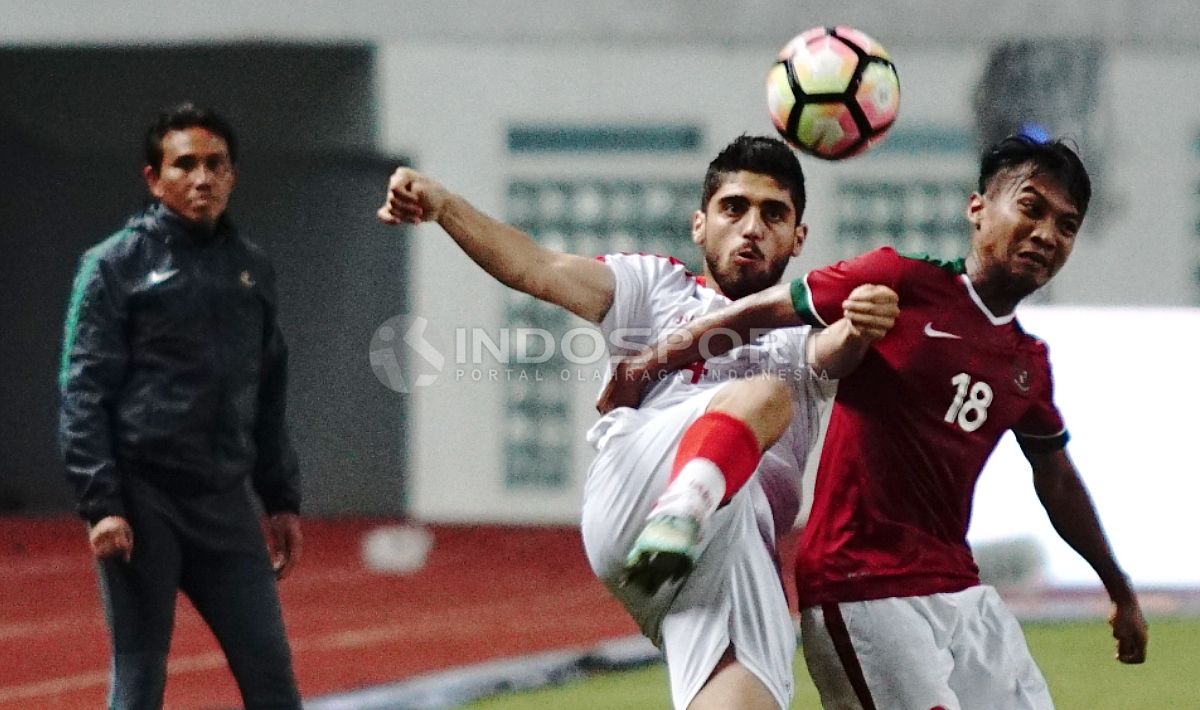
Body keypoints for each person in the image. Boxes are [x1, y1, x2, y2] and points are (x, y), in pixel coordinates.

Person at [598, 135, 1149, 709]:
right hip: (863, 586)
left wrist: (1119, 587)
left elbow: (1056, 480)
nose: (1046, 234)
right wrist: (649, 362)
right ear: (978, 209)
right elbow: (756, 314)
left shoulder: (1028, 364)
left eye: (1067, 225)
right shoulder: (900, 280)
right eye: (1031, 208)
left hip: (959, 588)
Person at [376, 134, 898, 710]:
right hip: (642, 497)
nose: (751, 227)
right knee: (764, 393)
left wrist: (863, 321)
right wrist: (446, 206)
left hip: (731, 557)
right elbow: (537, 267)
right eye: (734, 208)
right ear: (700, 224)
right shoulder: (653, 287)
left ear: (798, 238)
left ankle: (691, 517)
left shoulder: (804, 330)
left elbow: (840, 349)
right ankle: (683, 508)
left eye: (773, 214)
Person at [58, 103, 304, 710]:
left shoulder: (252, 267)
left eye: (215, 164)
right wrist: (102, 505)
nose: (202, 179)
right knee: (139, 685)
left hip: (224, 503)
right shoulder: (113, 267)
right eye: (185, 165)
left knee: (273, 683)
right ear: (153, 178)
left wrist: (280, 498)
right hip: (145, 504)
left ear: (233, 175)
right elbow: (83, 389)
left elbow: (268, 387)